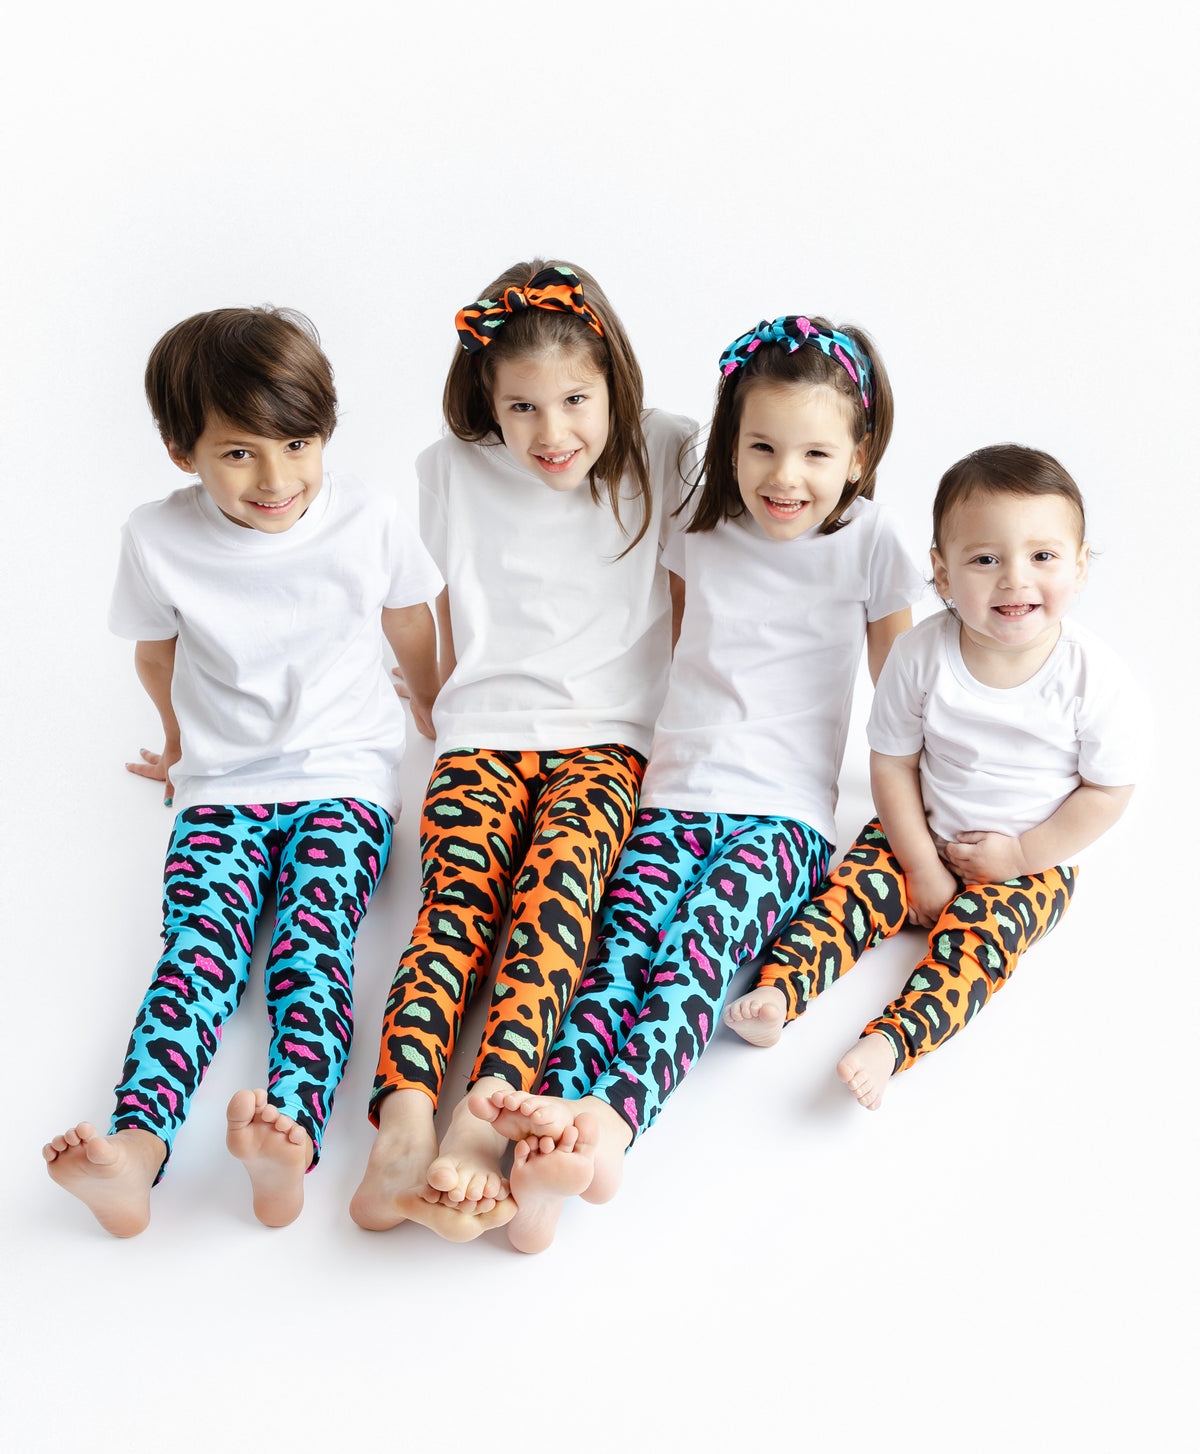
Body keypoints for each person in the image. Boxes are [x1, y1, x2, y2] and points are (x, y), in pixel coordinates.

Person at [476, 313, 924, 1252]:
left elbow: (901, 690)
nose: (784, 476)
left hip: (783, 819)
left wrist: (924, 823)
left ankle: (610, 1129)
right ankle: (548, 1137)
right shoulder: (700, 522)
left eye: (815, 453)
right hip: (671, 796)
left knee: (693, 960)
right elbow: (677, 641)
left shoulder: (871, 539)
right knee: (613, 960)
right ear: (729, 441)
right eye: (761, 447)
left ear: (859, 453)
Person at [43, 306, 440, 1235]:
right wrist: (179, 745)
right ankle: (135, 1151)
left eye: (298, 445)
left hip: (342, 782)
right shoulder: (156, 537)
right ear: (181, 451)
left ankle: (288, 1140)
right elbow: (155, 654)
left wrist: (427, 700)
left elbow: (409, 617)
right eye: (238, 454)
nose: (276, 480)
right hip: (222, 789)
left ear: (325, 433)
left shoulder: (368, 518)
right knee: (196, 955)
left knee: (313, 949)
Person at [349, 260, 695, 1242]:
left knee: (556, 912)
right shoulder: (448, 467)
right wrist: (429, 695)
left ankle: (479, 1123)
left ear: (614, 384)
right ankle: (402, 1126)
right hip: (482, 733)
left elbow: (694, 586)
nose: (552, 433)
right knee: (454, 905)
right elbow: (424, 597)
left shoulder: (666, 447)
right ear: (487, 399)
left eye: (576, 400)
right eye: (522, 407)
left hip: (608, 742)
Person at [723, 444, 1140, 1107]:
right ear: (942, 573)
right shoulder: (921, 654)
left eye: (1043, 556)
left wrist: (1020, 856)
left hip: (1030, 862)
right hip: (918, 831)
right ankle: (779, 990)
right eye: (985, 559)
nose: (1015, 580)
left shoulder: (1094, 676)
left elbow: (1108, 791)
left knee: (979, 948)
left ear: (1081, 565)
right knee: (842, 897)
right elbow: (892, 762)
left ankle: (892, 1042)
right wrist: (919, 863)